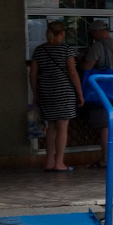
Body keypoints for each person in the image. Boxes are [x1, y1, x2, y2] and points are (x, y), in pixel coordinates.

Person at [30, 20, 83, 172]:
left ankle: (49, 161)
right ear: (62, 33)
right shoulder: (67, 49)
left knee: (51, 126)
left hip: (46, 91)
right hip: (64, 91)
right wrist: (80, 93)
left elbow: (33, 74)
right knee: (62, 127)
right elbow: (72, 73)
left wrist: (36, 93)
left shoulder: (39, 50)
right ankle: (60, 162)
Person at [80, 19, 113, 168]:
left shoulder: (97, 46)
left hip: (104, 93)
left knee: (105, 126)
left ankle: (106, 160)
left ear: (96, 32)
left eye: (92, 33)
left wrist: (79, 59)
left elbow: (87, 67)